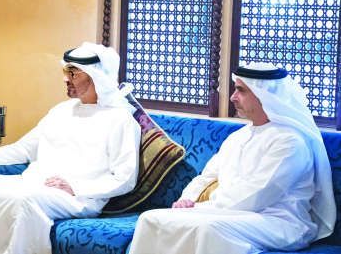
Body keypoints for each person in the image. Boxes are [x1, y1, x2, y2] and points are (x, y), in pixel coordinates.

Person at [0, 42, 141, 254]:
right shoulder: (61, 111)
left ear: (96, 76)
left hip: (78, 197)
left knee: (24, 202)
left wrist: (76, 187)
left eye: (73, 73)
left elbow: (125, 178)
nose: (66, 79)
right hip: (34, 183)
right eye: (65, 72)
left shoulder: (120, 119)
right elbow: (25, 148)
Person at [129, 62, 337, 254]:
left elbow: (258, 195)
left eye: (241, 90)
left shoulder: (290, 142)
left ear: (265, 96)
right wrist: (188, 199)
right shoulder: (238, 137)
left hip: (277, 221)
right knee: (151, 219)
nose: (233, 97)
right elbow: (208, 176)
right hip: (228, 212)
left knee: (208, 229)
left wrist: (202, 207)